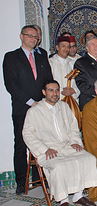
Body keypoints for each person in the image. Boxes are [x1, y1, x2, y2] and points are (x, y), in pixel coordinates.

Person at [22, 80, 97, 206]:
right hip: (48, 150)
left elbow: (73, 127)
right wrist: (44, 149)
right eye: (51, 90)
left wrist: (75, 141)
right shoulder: (34, 111)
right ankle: (63, 200)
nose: (55, 93)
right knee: (59, 166)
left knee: (88, 158)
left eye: (57, 90)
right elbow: (28, 134)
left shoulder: (64, 106)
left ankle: (78, 196)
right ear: (43, 92)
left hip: (67, 146)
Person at [3, 25, 53, 195]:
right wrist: (32, 102)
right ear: (21, 36)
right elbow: (11, 85)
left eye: (35, 37)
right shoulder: (11, 57)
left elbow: (48, 80)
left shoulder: (42, 56)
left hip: (41, 108)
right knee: (21, 146)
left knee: (42, 142)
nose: (33, 39)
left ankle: (40, 179)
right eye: (29, 36)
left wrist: (47, 100)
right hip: (22, 108)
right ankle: (21, 182)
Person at [74, 36, 97, 110]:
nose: (96, 47)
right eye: (93, 44)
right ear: (87, 47)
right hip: (90, 101)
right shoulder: (80, 62)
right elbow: (81, 84)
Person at [49, 36, 80, 101]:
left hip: (72, 101)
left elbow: (79, 82)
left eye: (68, 47)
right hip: (56, 101)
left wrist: (73, 90)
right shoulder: (50, 63)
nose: (66, 49)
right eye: (63, 46)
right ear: (57, 47)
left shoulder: (73, 63)